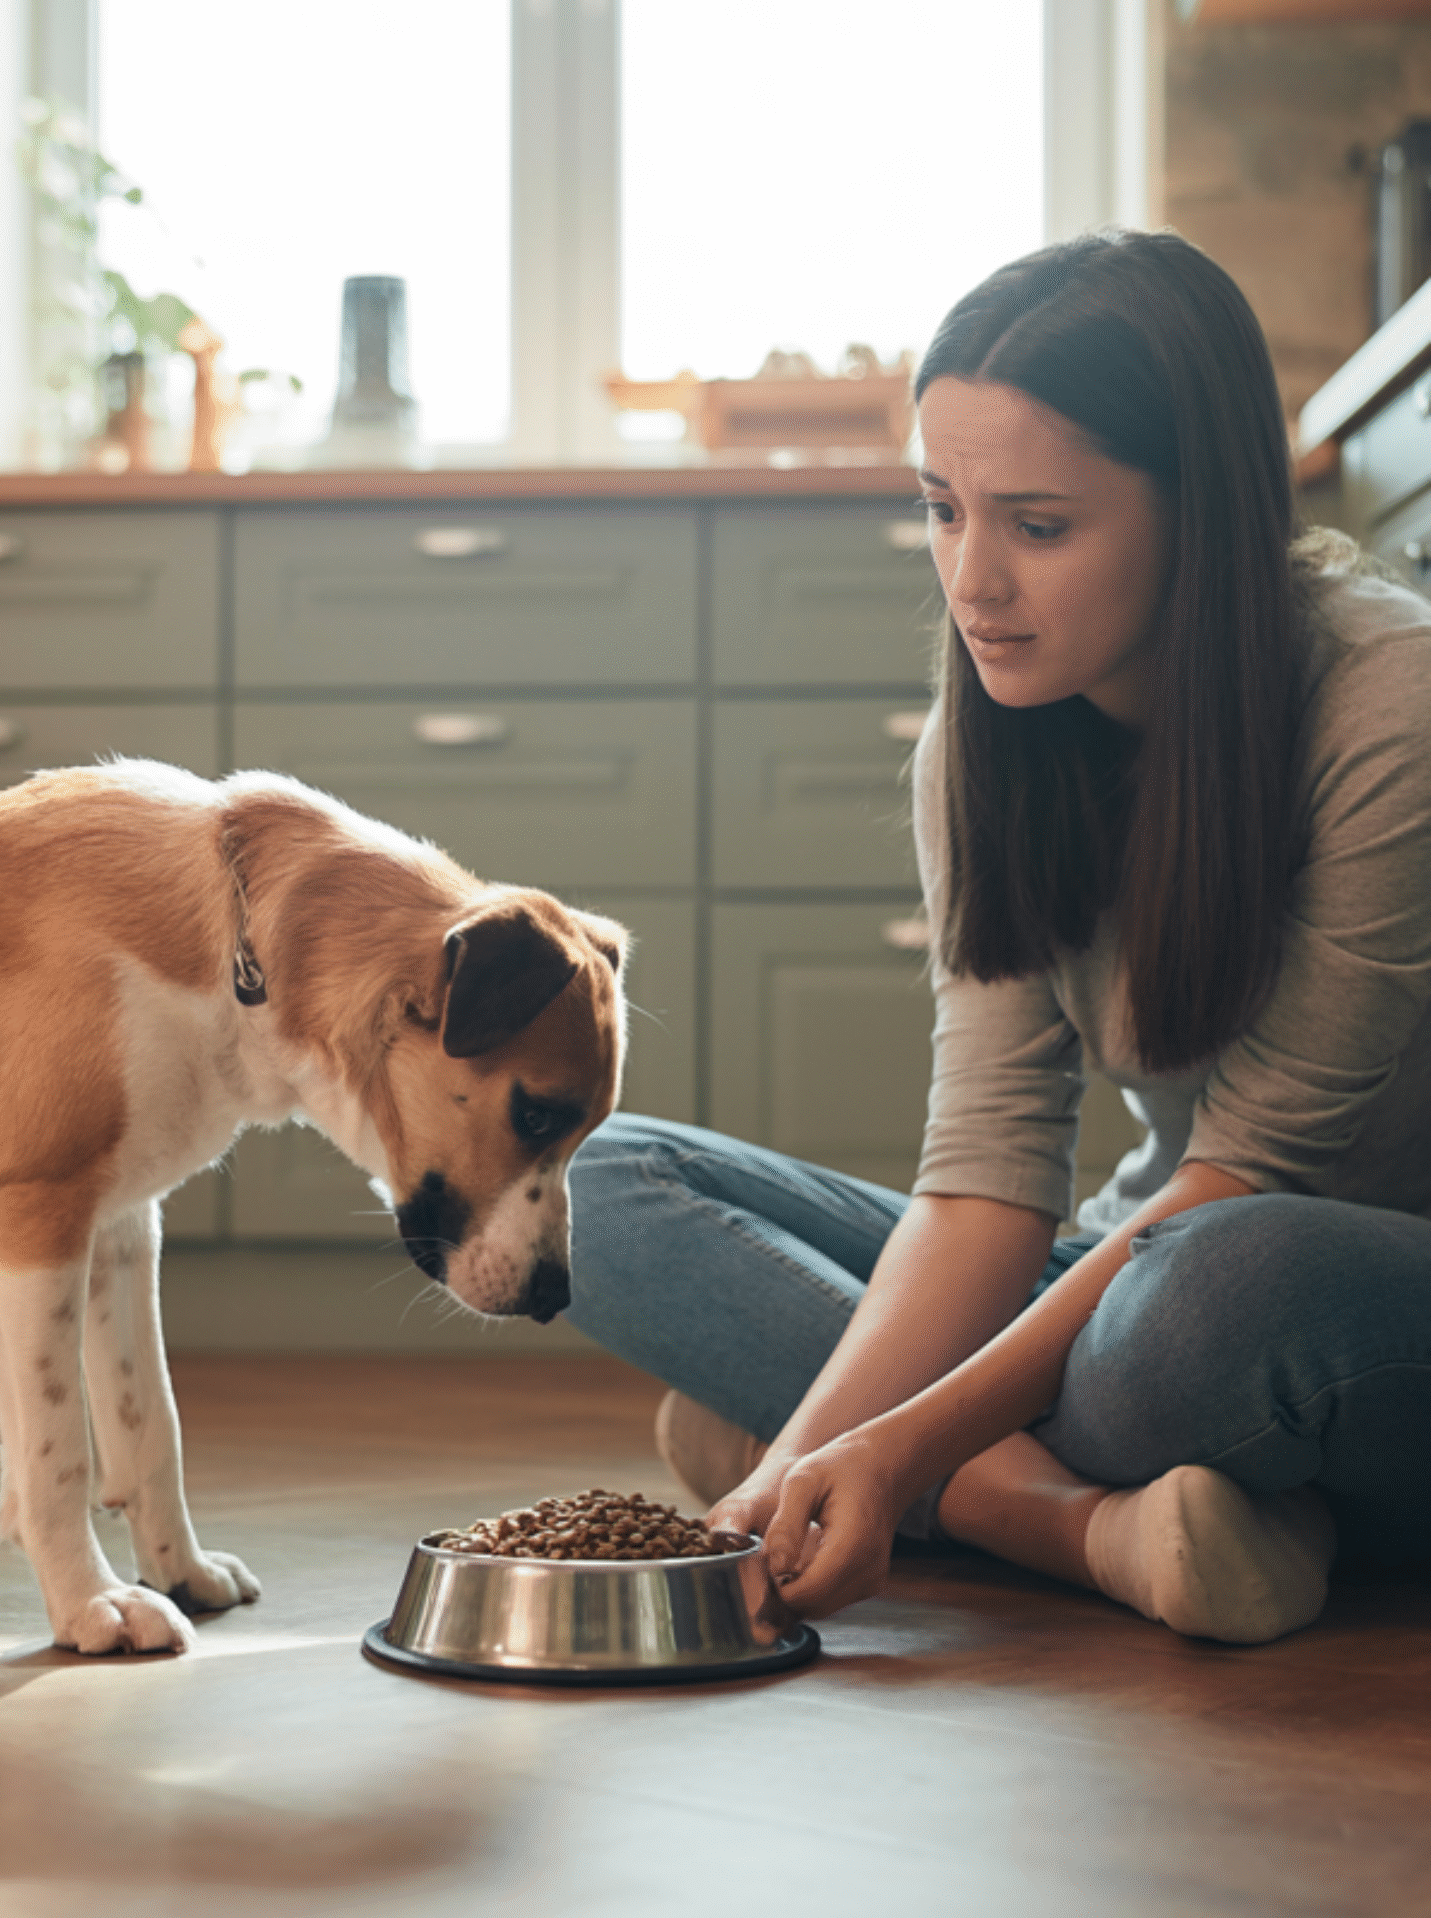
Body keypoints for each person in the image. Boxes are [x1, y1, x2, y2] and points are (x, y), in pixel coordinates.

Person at [566, 228, 1431, 1646]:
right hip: (1129, 1262)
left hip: (1313, 1290)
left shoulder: (1388, 702)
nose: (972, 584)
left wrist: (889, 1447)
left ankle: (942, 1475)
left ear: (1197, 513)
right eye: (941, 510)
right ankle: (1099, 1531)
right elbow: (982, 1188)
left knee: (1203, 1312)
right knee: (595, 1182)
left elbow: (1246, 1178)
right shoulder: (983, 749)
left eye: (1037, 525)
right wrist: (802, 1476)